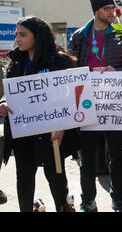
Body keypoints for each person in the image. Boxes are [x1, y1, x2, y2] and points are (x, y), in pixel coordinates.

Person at [0, 16, 79, 212]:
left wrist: (62, 127)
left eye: (23, 34)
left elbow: (72, 97)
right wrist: (2, 103)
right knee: (24, 176)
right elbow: (9, 94)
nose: (17, 39)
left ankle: (64, 207)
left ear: (38, 36)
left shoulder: (59, 61)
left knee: (56, 175)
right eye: (16, 34)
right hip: (23, 130)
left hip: (52, 132)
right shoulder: (16, 61)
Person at [68, 0, 122, 212]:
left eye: (113, 8)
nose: (112, 12)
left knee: (116, 155)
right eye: (106, 9)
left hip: (113, 103)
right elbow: (70, 69)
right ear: (96, 12)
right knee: (87, 159)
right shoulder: (79, 36)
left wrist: (118, 69)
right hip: (87, 103)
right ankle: (88, 200)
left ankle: (118, 198)